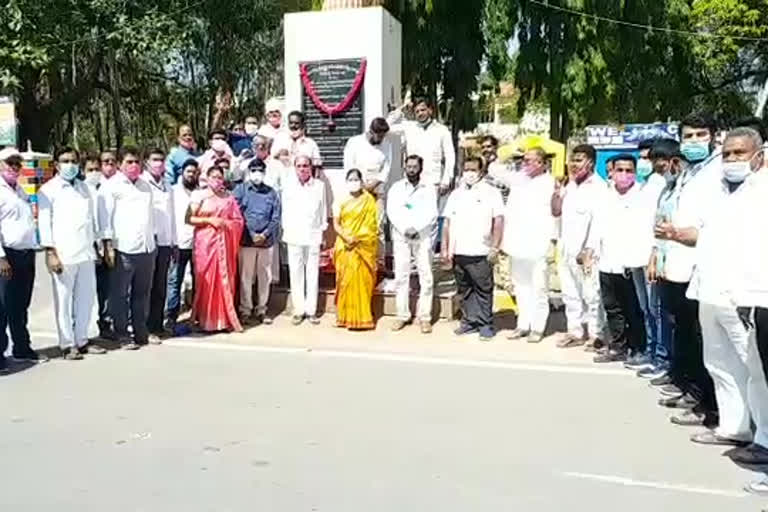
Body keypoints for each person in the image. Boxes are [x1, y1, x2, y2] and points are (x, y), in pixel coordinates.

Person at [687, 127, 768, 457]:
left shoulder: (761, 192)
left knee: (757, 369)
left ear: (758, 155)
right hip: (710, 288)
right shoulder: (717, 191)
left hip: (747, 295)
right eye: (728, 154)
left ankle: (762, 438)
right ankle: (734, 427)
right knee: (719, 363)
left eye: (740, 153)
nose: (732, 160)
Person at [648, 125, 718, 427]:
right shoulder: (685, 177)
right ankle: (689, 389)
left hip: (698, 266)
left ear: (713, 136)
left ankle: (708, 403)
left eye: (700, 135)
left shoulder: (715, 175)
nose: (693, 142)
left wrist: (677, 235)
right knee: (684, 331)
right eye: (688, 136)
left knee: (702, 338)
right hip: (674, 265)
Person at [38, 147, 105, 360]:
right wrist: (50, 252)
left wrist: (98, 246)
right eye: (65, 161)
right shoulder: (48, 191)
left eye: (73, 161)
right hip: (63, 253)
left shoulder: (84, 188)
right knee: (64, 300)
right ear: (57, 165)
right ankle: (67, 344)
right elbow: (44, 224)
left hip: (85, 252)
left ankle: (82, 339)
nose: (70, 165)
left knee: (85, 299)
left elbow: (90, 221)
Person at [593, 154, 653, 363]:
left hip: (631, 262)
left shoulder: (643, 195)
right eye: (620, 170)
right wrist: (591, 250)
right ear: (611, 171)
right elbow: (596, 225)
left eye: (629, 171)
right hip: (607, 260)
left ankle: (638, 348)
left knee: (633, 308)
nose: (624, 175)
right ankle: (617, 346)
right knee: (612, 306)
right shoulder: (603, 194)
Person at [98, 147, 156, 350]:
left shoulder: (146, 186)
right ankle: (121, 333)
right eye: (129, 162)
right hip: (123, 248)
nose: (134, 166)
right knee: (119, 294)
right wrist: (108, 246)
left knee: (142, 293)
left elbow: (150, 217)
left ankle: (140, 330)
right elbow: (104, 219)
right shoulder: (111, 186)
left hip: (147, 248)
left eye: (137, 162)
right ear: (121, 164)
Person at [442, 156, 504, 341]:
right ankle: (469, 321)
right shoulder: (456, 194)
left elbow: (499, 220)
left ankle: (485, 324)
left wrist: (495, 246)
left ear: (481, 172)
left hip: (481, 250)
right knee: (465, 289)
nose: (469, 173)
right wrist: (445, 248)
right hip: (459, 249)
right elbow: (447, 222)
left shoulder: (491, 192)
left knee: (483, 289)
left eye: (473, 169)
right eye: (466, 169)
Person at [552, 144, 606, 349]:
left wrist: (589, 250)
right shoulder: (570, 186)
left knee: (591, 294)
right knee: (570, 293)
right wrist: (557, 193)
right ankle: (575, 332)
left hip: (588, 252)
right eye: (572, 160)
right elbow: (556, 212)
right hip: (566, 247)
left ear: (591, 162)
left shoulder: (599, 188)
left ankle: (596, 334)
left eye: (579, 160)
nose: (574, 165)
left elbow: (599, 222)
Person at [0, 147, 47, 370]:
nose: (14, 168)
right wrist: (1, 258)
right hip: (6, 255)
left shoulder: (20, 190)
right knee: (2, 307)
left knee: (21, 305)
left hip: (26, 253)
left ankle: (21, 347)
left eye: (17, 164)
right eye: (10, 163)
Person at [503, 147, 555, 343]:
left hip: (538, 242)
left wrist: (552, 240)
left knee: (539, 287)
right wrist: (510, 153)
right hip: (517, 241)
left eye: (530, 160)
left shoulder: (550, 183)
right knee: (521, 286)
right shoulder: (518, 178)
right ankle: (522, 324)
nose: (525, 163)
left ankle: (538, 327)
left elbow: (555, 214)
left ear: (541, 163)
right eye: (524, 160)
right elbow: (493, 169)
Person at [186, 165, 245, 333]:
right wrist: (210, 220)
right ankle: (206, 320)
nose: (217, 181)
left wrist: (227, 224)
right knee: (207, 279)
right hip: (205, 244)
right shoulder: (200, 196)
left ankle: (224, 320)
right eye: (214, 177)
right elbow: (189, 219)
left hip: (224, 244)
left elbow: (239, 221)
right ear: (207, 178)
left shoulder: (229, 198)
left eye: (220, 177)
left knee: (225, 279)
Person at [387, 155, 438, 333]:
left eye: (415, 167)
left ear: (421, 168)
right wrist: (405, 228)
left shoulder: (429, 188)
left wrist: (416, 228)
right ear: (404, 168)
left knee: (426, 276)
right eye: (408, 166)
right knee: (401, 275)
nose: (411, 170)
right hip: (401, 236)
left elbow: (432, 212)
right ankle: (402, 315)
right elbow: (392, 211)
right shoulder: (396, 188)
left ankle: (425, 317)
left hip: (422, 236)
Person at [234, 158, 281, 326]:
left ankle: (261, 309)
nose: (256, 173)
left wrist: (265, 234)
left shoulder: (271, 193)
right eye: (253, 170)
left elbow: (276, 217)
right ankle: (245, 310)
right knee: (246, 276)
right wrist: (252, 234)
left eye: (260, 170)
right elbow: (237, 215)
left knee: (264, 277)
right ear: (248, 172)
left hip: (266, 242)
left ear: (264, 172)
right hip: (247, 241)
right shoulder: (241, 190)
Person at [281, 155, 327, 325]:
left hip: (313, 235)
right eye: (299, 166)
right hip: (294, 235)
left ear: (311, 167)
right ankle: (298, 310)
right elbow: (284, 211)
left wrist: (322, 233)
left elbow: (323, 210)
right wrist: (285, 231)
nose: (302, 169)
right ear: (295, 168)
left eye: (305, 165)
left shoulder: (319, 186)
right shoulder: (288, 185)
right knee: (296, 273)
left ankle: (311, 311)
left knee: (312, 273)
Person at [343, 118, 393, 269]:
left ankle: (379, 264)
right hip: (357, 191)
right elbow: (349, 166)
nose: (382, 139)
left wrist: (374, 184)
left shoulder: (387, 144)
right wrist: (361, 186)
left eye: (384, 136)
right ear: (371, 132)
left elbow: (386, 168)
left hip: (377, 191)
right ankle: (358, 262)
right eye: (379, 136)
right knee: (357, 227)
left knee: (377, 227)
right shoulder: (354, 142)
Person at [333, 169, 379, 330]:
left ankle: (362, 318)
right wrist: (347, 237)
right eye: (350, 179)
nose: (353, 182)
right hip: (345, 245)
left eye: (356, 179)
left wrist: (358, 238)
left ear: (361, 181)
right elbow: (336, 224)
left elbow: (373, 225)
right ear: (346, 182)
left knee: (362, 281)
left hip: (363, 246)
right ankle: (344, 317)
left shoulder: (369, 200)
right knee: (345, 281)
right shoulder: (341, 199)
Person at [387, 97, 456, 196]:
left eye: (423, 110)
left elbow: (450, 156)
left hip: (433, 183)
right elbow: (385, 127)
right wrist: (401, 109)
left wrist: (446, 181)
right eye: (417, 111)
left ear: (430, 110)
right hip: (412, 183)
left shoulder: (442, 130)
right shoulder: (409, 127)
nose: (420, 113)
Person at [143, 148, 176, 343]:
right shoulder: (142, 184)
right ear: (146, 162)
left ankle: (157, 325)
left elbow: (171, 216)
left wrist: (174, 242)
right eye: (154, 159)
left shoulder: (167, 185)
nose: (158, 163)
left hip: (165, 242)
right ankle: (144, 327)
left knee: (160, 286)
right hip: (149, 242)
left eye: (161, 160)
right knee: (146, 287)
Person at [165, 159, 199, 331]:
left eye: (194, 172)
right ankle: (171, 316)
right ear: (182, 173)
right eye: (188, 172)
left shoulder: (201, 193)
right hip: (178, 243)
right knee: (174, 281)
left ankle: (197, 315)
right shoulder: (173, 192)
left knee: (199, 282)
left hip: (198, 245)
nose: (191, 175)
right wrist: (173, 242)